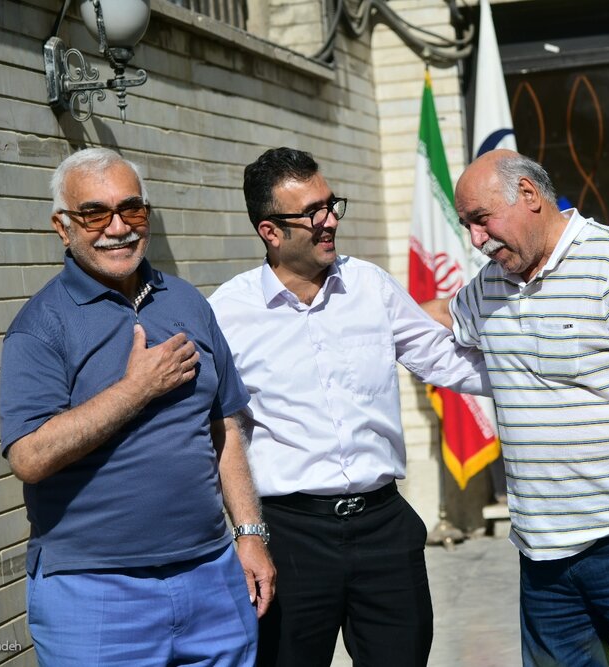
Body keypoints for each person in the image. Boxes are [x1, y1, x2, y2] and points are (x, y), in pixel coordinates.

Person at [425, 149, 609, 666]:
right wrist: (361, 307)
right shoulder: (491, 283)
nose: (475, 239)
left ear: (529, 195)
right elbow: (439, 316)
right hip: (543, 557)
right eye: (467, 225)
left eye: (481, 219)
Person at [207, 147, 490, 667]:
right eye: (312, 212)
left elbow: (444, 359)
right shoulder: (226, 314)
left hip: (385, 530)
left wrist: (542, 374)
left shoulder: (370, 286)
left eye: (331, 204)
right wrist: (246, 534)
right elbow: (218, 431)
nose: (330, 220)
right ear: (270, 231)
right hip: (289, 538)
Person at [0, 147, 274, 666]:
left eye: (132, 209)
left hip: (212, 577)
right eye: (94, 214)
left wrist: (250, 534)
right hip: (95, 595)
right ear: (62, 227)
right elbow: (29, 458)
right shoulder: (40, 327)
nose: (118, 227)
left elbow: (224, 426)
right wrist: (136, 389)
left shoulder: (188, 302)